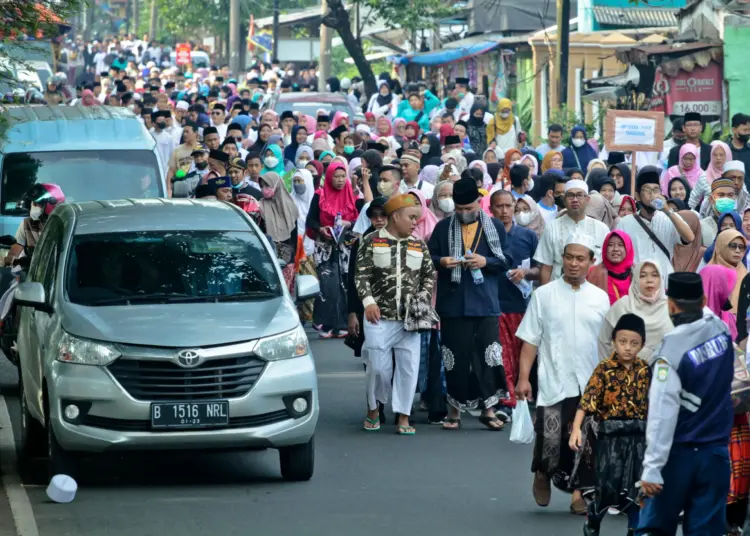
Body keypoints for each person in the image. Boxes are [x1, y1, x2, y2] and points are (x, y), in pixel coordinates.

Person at [516, 231, 610, 512]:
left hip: (589, 382)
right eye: (569, 257)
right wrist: (523, 379)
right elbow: (530, 341)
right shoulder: (543, 296)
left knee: (587, 439)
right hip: (553, 379)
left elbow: (607, 344)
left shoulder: (601, 298)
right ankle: (542, 473)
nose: (573, 263)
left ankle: (578, 494)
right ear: (561, 259)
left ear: (590, 262)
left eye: (580, 259)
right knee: (551, 439)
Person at [637, 272, 733, 536]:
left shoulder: (670, 354)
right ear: (703, 300)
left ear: (670, 305)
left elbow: (661, 416)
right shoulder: (722, 332)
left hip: (677, 456)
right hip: (716, 453)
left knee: (654, 528)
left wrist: (652, 468)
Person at [427, 177, 511, 431]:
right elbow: (429, 256)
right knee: (455, 358)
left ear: (479, 202)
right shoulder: (442, 228)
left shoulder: (494, 226)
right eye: (460, 209)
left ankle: (489, 409)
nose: (464, 214)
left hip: (485, 302)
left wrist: (485, 262)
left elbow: (506, 260)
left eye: (469, 208)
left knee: (488, 357)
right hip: (453, 304)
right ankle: (454, 411)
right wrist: (442, 262)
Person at [355, 194, 436, 435]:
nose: (415, 223)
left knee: (408, 368)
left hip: (409, 320)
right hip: (378, 318)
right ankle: (374, 406)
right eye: (411, 217)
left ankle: (403, 415)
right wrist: (368, 302)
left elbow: (429, 275)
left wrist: (422, 298)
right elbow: (361, 275)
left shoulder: (418, 244)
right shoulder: (370, 241)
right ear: (396, 216)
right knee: (377, 367)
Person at [571, 313, 650, 536]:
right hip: (610, 438)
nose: (627, 348)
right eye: (622, 341)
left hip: (638, 438)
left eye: (634, 343)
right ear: (614, 341)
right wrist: (576, 429)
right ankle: (594, 520)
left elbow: (655, 405)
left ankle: (634, 529)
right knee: (608, 487)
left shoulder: (645, 370)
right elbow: (587, 401)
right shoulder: (604, 369)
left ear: (642, 345)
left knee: (637, 488)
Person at [489, 189, 539, 416]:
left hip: (521, 305)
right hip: (493, 304)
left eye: (509, 206)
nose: (505, 211)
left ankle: (520, 396)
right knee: (501, 356)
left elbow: (541, 269)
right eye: (499, 206)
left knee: (521, 355)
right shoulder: (485, 235)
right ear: (491, 209)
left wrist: (525, 272)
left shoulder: (528, 237)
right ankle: (506, 402)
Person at [305, 161, 360, 338]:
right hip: (325, 245)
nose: (340, 180)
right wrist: (322, 229)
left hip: (346, 247)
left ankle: (343, 323)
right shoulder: (319, 195)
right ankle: (326, 324)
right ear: (329, 177)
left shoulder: (351, 195)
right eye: (336, 177)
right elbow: (310, 221)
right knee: (328, 284)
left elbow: (360, 220)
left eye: (343, 176)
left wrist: (348, 223)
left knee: (345, 283)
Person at [616, 166, 695, 287]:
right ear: (637, 196)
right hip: (638, 285)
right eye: (647, 189)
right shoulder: (625, 223)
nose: (652, 194)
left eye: (656, 189)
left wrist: (668, 211)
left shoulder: (669, 217)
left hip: (665, 284)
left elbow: (689, 237)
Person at [535, 179, 610, 284]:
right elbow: (546, 267)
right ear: (564, 200)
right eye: (570, 195)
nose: (575, 199)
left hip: (592, 290)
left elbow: (606, 267)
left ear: (588, 199)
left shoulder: (602, 229)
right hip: (559, 289)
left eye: (579, 195)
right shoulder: (551, 227)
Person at [598, 260, 673, 362]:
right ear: (635, 279)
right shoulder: (623, 305)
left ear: (661, 279)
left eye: (655, 275)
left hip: (661, 374)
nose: (649, 280)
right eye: (642, 276)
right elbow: (603, 340)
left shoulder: (670, 307)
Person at [5, 184, 65, 266]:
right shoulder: (27, 224)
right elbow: (17, 246)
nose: (33, 206)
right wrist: (11, 258)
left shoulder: (64, 225)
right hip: (32, 273)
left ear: (52, 204)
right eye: (33, 203)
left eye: (37, 204)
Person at [259, 171, 299, 290]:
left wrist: (291, 261)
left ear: (277, 185)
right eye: (262, 186)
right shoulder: (259, 206)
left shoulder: (291, 207)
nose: (264, 189)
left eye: (268, 186)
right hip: (267, 259)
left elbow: (294, 237)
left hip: (287, 259)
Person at [586, 230, 634, 305]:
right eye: (611, 245)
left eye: (620, 245)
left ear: (628, 248)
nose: (615, 249)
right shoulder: (593, 272)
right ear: (605, 248)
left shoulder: (636, 273)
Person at [688, 141, 730, 209]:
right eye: (715, 155)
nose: (718, 158)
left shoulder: (734, 176)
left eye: (721, 155)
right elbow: (693, 200)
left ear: (728, 156)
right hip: (707, 216)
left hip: (730, 217)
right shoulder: (704, 176)